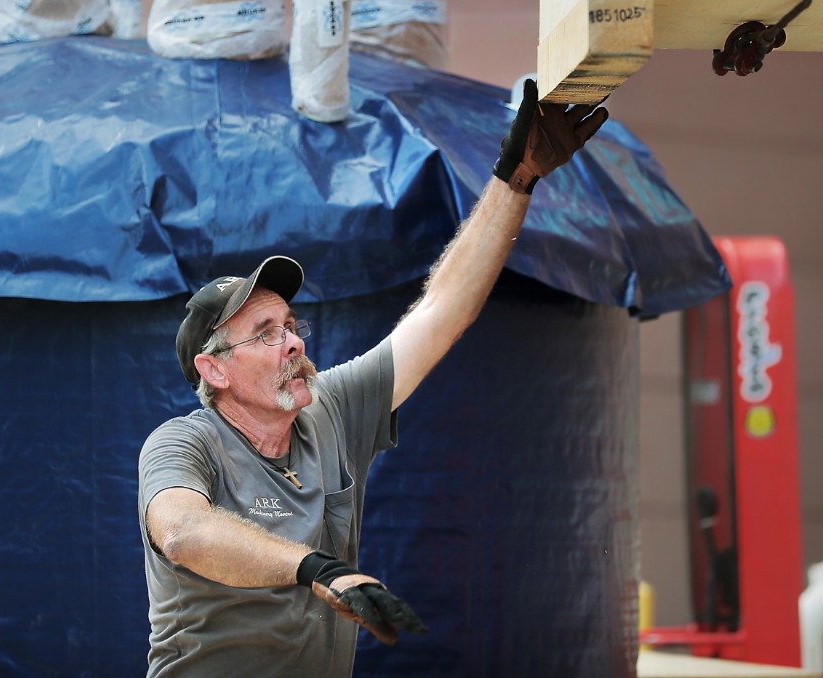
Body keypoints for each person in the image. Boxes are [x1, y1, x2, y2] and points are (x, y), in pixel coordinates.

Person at [137, 80, 608, 676]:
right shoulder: (183, 443)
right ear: (215, 369)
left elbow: (441, 312)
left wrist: (516, 179)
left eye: (291, 324)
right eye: (265, 333)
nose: (293, 342)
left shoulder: (328, 410)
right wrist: (316, 568)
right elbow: (182, 531)